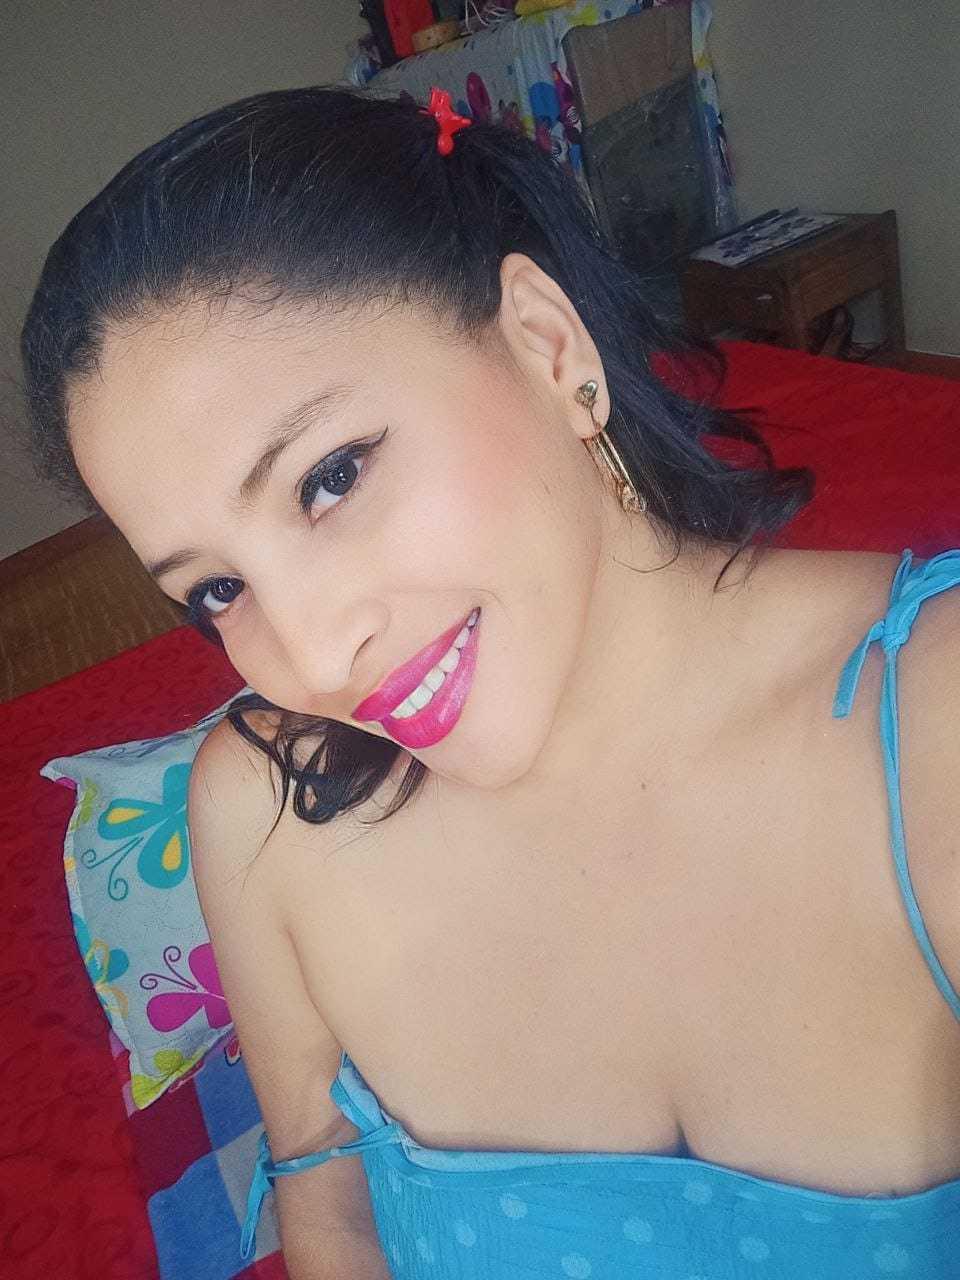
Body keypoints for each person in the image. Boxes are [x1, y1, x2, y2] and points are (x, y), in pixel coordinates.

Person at [21, 85, 960, 1280]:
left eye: (330, 476)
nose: (312, 659)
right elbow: (329, 1203)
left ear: (548, 345)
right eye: (216, 588)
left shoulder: (932, 723)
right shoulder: (265, 815)